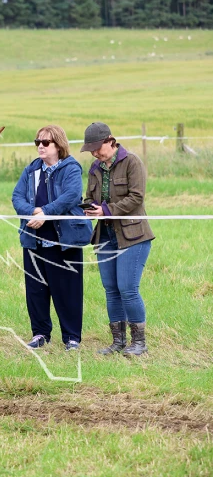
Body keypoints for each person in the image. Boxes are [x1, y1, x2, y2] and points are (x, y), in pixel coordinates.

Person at [11, 125, 93, 351]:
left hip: (63, 241)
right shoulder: (31, 169)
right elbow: (17, 196)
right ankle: (40, 334)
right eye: (37, 142)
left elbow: (71, 196)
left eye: (45, 142)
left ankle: (72, 337)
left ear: (58, 145)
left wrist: (45, 213)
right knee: (35, 290)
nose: (40, 146)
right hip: (33, 239)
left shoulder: (71, 168)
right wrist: (32, 213)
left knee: (68, 291)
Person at [81, 122, 155, 357]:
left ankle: (139, 343)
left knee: (127, 288)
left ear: (110, 141)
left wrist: (106, 210)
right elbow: (90, 196)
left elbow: (136, 197)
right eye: (91, 149)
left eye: (97, 148)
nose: (94, 153)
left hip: (133, 236)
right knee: (111, 289)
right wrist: (89, 207)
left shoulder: (132, 162)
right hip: (104, 236)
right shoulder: (94, 168)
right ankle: (118, 342)